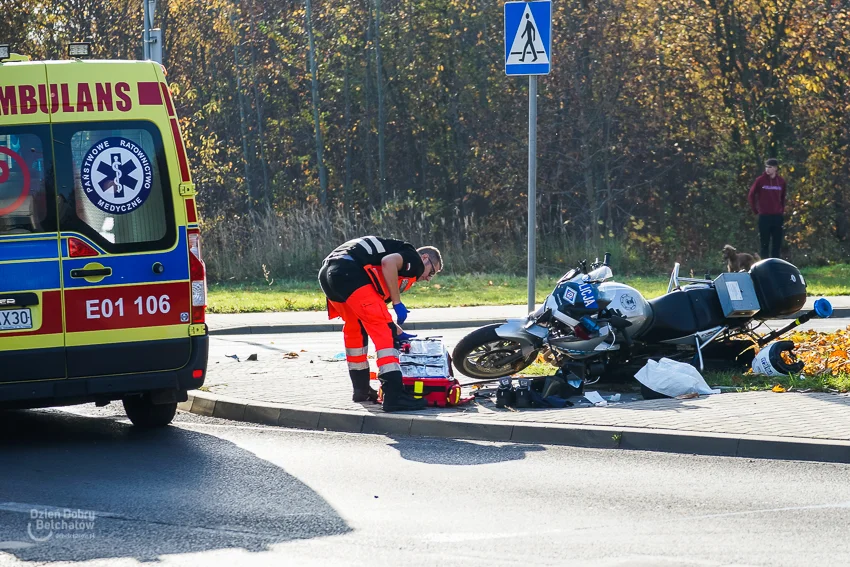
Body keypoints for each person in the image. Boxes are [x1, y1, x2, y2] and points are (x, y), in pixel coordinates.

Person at [318, 236, 443, 412]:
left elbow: (372, 309)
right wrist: (397, 304)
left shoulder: (389, 257)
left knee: (356, 329)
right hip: (350, 272)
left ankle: (361, 389)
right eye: (431, 272)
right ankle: (394, 396)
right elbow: (388, 262)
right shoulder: (413, 258)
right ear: (424, 258)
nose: (428, 278)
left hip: (329, 273)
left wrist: (394, 325)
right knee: (386, 334)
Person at [747, 158, 786, 259]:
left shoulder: (781, 181)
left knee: (777, 244)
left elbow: (783, 198)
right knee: (764, 244)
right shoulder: (760, 180)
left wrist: (781, 211)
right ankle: (765, 266)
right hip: (764, 216)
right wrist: (755, 210)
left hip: (777, 216)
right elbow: (751, 194)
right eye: (766, 167)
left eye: (770, 167)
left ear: (775, 168)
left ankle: (776, 266)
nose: (767, 169)